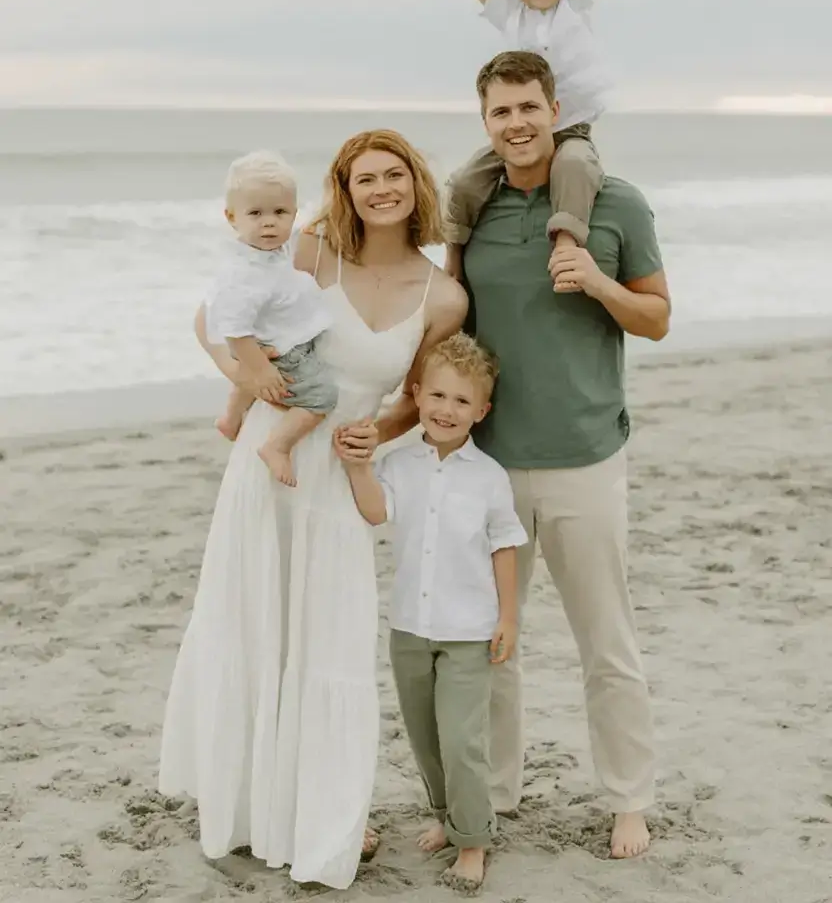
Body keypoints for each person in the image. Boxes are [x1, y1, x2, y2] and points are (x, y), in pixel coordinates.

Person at [159, 129, 468, 890]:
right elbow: (213, 319)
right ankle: (249, 804)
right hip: (270, 462)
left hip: (338, 475)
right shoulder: (306, 252)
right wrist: (250, 381)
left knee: (326, 640)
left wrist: (378, 431)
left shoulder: (444, 295)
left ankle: (328, 809)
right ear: (344, 188)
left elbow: (416, 402)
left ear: (414, 185)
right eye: (364, 178)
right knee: (257, 623)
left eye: (394, 174)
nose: (381, 188)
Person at [459, 51, 671, 860]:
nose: (516, 123)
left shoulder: (616, 204)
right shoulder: (475, 207)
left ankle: (628, 800)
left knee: (605, 642)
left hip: (585, 459)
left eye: (527, 107)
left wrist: (598, 282)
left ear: (555, 109)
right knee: (490, 644)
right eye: (499, 112)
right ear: (485, 122)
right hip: (489, 463)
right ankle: (494, 795)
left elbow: (656, 318)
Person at [338, 332, 527, 894]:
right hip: (409, 630)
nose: (448, 410)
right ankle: (449, 816)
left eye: (463, 402)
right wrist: (357, 469)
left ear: (482, 410)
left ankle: (473, 841)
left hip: (469, 632)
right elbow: (376, 513)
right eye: (439, 396)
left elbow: (504, 546)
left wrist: (508, 618)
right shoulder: (398, 465)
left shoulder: (490, 477)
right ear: (417, 395)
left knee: (463, 739)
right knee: (424, 736)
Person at [445, 0, 609, 292]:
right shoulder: (510, 12)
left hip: (568, 129)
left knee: (574, 167)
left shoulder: (575, 3)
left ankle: (567, 243)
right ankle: (453, 257)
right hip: (517, 134)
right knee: (465, 180)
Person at [207, 150, 338, 487]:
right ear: (232, 217)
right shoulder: (246, 273)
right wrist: (259, 369)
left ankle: (231, 416)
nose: (269, 222)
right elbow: (235, 330)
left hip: (265, 340)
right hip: (267, 348)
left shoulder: (268, 249)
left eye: (280, 212)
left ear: (294, 213)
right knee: (323, 396)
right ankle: (277, 446)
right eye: (256, 213)